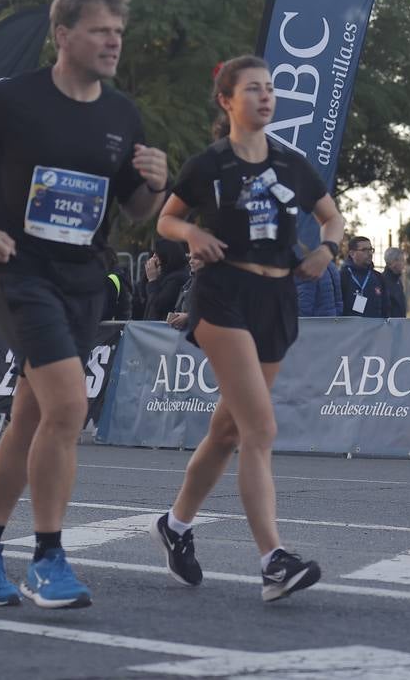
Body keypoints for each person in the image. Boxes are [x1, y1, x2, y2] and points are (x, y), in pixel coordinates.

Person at [0, 0, 168, 609]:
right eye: (99, 30)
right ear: (64, 37)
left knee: (30, 418)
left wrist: (155, 184)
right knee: (68, 407)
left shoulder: (121, 114)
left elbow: (137, 209)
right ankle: (48, 559)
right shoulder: (13, 100)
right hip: (18, 273)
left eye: (118, 31)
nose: (113, 41)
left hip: (83, 280)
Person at [148, 53, 344, 603]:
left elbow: (332, 217)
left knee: (228, 431)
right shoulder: (210, 164)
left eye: (271, 88)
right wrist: (191, 234)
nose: (266, 96)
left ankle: (176, 526)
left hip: (277, 298)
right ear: (227, 100)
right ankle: (273, 562)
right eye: (253, 89)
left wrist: (328, 249)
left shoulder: (292, 163)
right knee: (260, 428)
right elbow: (166, 216)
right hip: (223, 295)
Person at [340, 236, 388, 318]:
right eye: (364, 250)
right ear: (352, 253)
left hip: (376, 328)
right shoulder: (343, 276)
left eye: (371, 250)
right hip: (351, 328)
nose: (369, 253)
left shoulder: (378, 277)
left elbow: (386, 307)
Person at [142, 239, 190, 320]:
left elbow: (158, 305)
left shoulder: (177, 279)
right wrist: (147, 275)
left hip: (163, 329)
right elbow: (144, 296)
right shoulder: (164, 275)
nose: (154, 257)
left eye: (157, 254)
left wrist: (152, 280)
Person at [294, 253, 342, 317]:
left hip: (313, 322)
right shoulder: (331, 265)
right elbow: (339, 300)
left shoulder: (305, 265)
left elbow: (305, 304)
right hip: (331, 319)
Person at [166, 254, 204, 329]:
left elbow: (217, 312)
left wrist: (188, 317)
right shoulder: (190, 282)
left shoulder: (216, 284)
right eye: (190, 258)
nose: (191, 262)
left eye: (196, 258)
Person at [100, 248, 132, 321]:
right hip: (122, 326)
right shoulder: (120, 274)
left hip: (112, 328)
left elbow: (105, 312)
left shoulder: (110, 279)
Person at [381, 247, 408, 318]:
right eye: (402, 260)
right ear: (393, 262)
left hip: (399, 324)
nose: (404, 263)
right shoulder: (382, 281)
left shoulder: (398, 281)